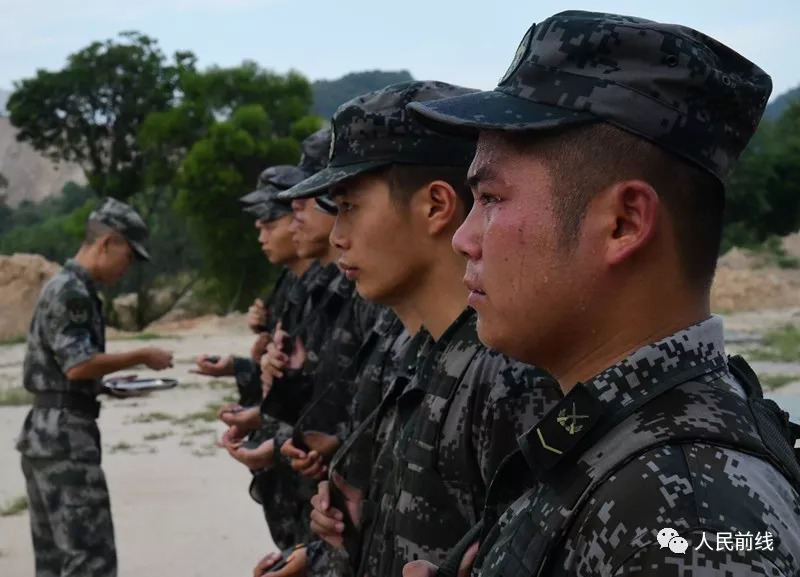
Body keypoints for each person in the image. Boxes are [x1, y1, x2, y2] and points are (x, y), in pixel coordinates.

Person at [406, 10, 800, 577]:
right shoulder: (618, 437)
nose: (463, 240)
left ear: (623, 223)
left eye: (490, 198)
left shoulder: (688, 519)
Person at [278, 81, 561, 577]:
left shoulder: (508, 376)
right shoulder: (424, 350)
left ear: (435, 206)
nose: (337, 236)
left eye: (349, 206)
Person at [16, 197, 174, 577]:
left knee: (55, 562)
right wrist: (141, 355)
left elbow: (68, 369)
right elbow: (77, 365)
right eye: (128, 256)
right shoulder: (72, 292)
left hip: (47, 433)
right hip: (65, 440)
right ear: (106, 243)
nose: (127, 268)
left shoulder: (68, 286)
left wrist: (105, 383)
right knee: (90, 560)